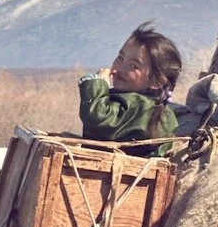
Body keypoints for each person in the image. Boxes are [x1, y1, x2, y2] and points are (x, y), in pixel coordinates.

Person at [78, 23, 182, 155]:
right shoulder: (142, 106)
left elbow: (97, 118)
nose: (120, 67)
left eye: (133, 66)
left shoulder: (142, 108)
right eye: (120, 58)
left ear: (157, 81)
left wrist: (97, 83)